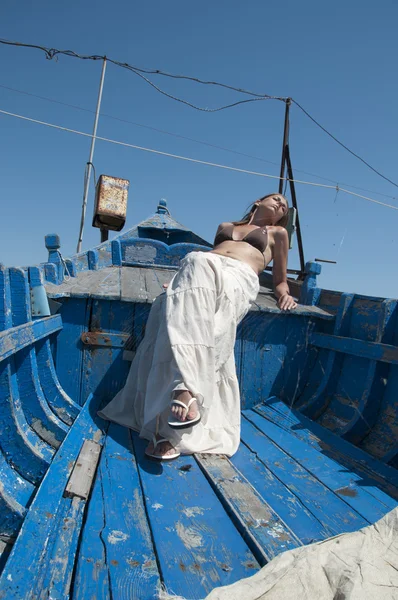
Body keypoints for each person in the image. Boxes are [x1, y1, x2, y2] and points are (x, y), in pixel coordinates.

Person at [98, 193, 297, 460]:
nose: (280, 205)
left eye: (283, 205)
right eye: (275, 199)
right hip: (203, 272)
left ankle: (179, 399)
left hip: (239, 277)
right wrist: (186, 283)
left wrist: (284, 294)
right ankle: (173, 417)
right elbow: (209, 261)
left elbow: (280, 279)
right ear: (258, 201)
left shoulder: (278, 233)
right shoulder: (225, 227)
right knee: (175, 298)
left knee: (195, 263)